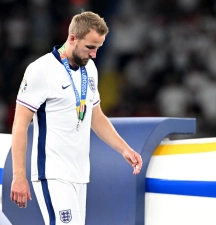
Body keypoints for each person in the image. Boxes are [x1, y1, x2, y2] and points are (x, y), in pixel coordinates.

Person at [10, 11, 143, 225]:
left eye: (98, 48)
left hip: (80, 173)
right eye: (90, 47)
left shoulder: (89, 69)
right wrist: (18, 175)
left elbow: (95, 116)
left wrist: (124, 149)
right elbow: (19, 125)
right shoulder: (40, 70)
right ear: (72, 38)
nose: (94, 55)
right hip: (52, 172)